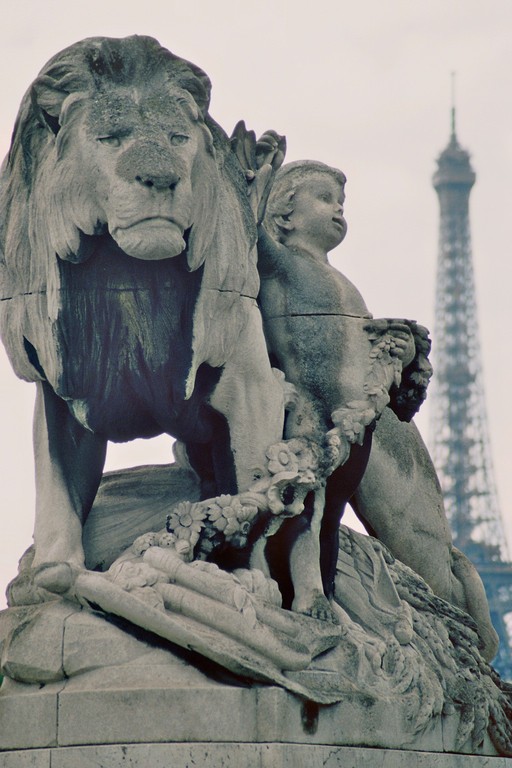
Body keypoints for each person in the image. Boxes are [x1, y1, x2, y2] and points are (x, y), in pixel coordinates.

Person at [257, 160, 417, 620]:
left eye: (342, 203)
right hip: (307, 412)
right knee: (305, 509)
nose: (338, 210)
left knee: (329, 517)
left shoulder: (339, 279)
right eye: (324, 199)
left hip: (352, 421)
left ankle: (320, 595)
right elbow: (244, 227)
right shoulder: (281, 261)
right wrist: (254, 178)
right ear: (284, 215)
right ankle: (302, 598)